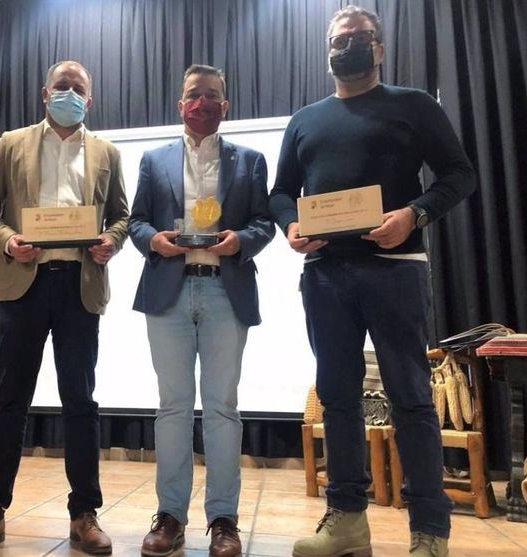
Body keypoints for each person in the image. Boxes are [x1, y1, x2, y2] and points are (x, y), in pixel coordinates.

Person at [268, 6, 476, 557]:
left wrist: (415, 214)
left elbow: (460, 174)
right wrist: (290, 225)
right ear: (327, 51)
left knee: (411, 398)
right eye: (339, 39)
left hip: (396, 269)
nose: (348, 46)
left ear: (379, 48)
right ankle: (347, 521)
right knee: (337, 398)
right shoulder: (305, 120)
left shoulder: (414, 105)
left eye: (360, 37)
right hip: (325, 274)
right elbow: (281, 192)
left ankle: (429, 531)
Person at [0, 60, 129, 556]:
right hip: (24, 284)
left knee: (80, 402)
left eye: (78, 88)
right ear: (44, 92)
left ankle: (84, 514)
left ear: (89, 100)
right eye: (61, 86)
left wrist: (111, 241)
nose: (68, 93)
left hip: (80, 285)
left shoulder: (107, 152)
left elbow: (121, 215)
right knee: (8, 401)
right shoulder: (12, 143)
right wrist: (8, 240)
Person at [129, 64, 275, 557]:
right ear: (180, 103)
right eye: (194, 94)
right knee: (172, 407)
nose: (202, 102)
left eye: (212, 95)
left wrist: (241, 241)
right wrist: (155, 240)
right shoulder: (153, 159)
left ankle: (223, 520)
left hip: (224, 292)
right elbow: (137, 222)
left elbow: (264, 223)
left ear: (225, 106)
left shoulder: (250, 160)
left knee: (221, 408)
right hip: (168, 291)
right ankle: (170, 516)